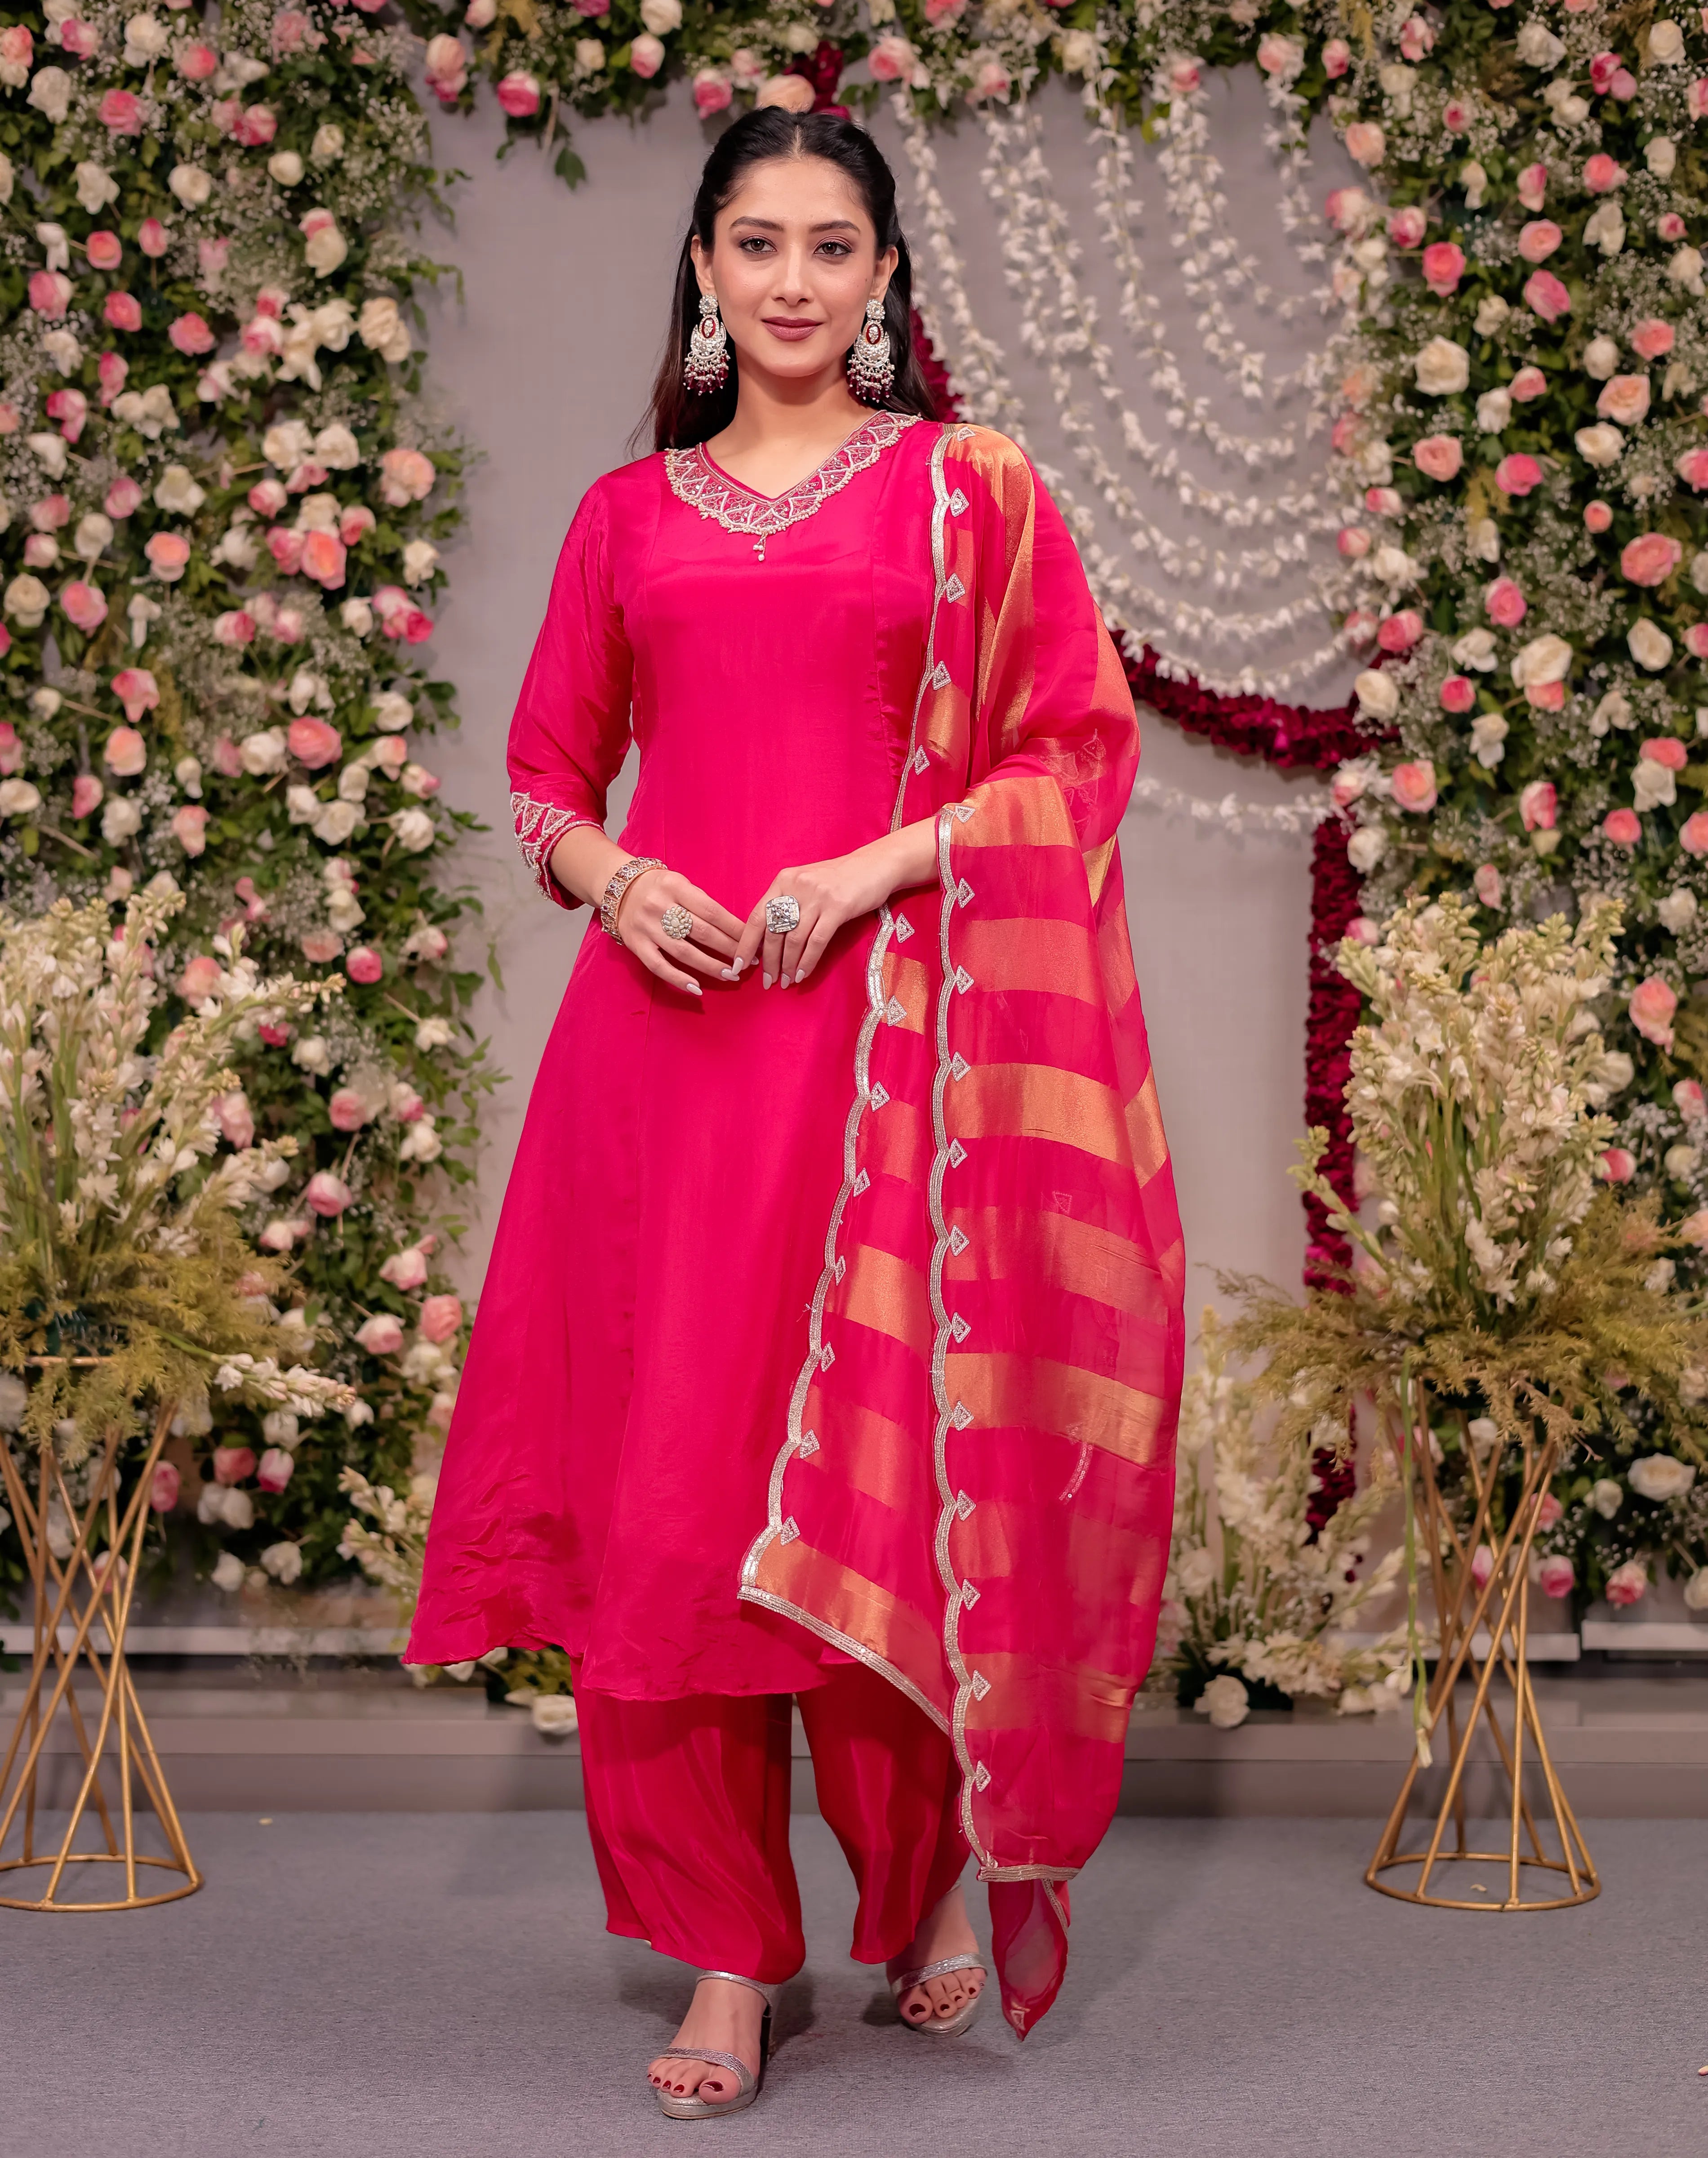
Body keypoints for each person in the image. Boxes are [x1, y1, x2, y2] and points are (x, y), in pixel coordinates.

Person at [409, 106, 1185, 2119]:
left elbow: (1073, 755)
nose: (786, 281)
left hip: (884, 1059)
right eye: (750, 242)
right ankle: (723, 1955)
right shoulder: (624, 515)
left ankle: (921, 1893)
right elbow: (546, 775)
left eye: (827, 246)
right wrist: (612, 877)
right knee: (671, 1498)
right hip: (660, 1061)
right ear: (699, 270)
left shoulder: (963, 491)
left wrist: (862, 872)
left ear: (883, 279)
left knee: (874, 1474)